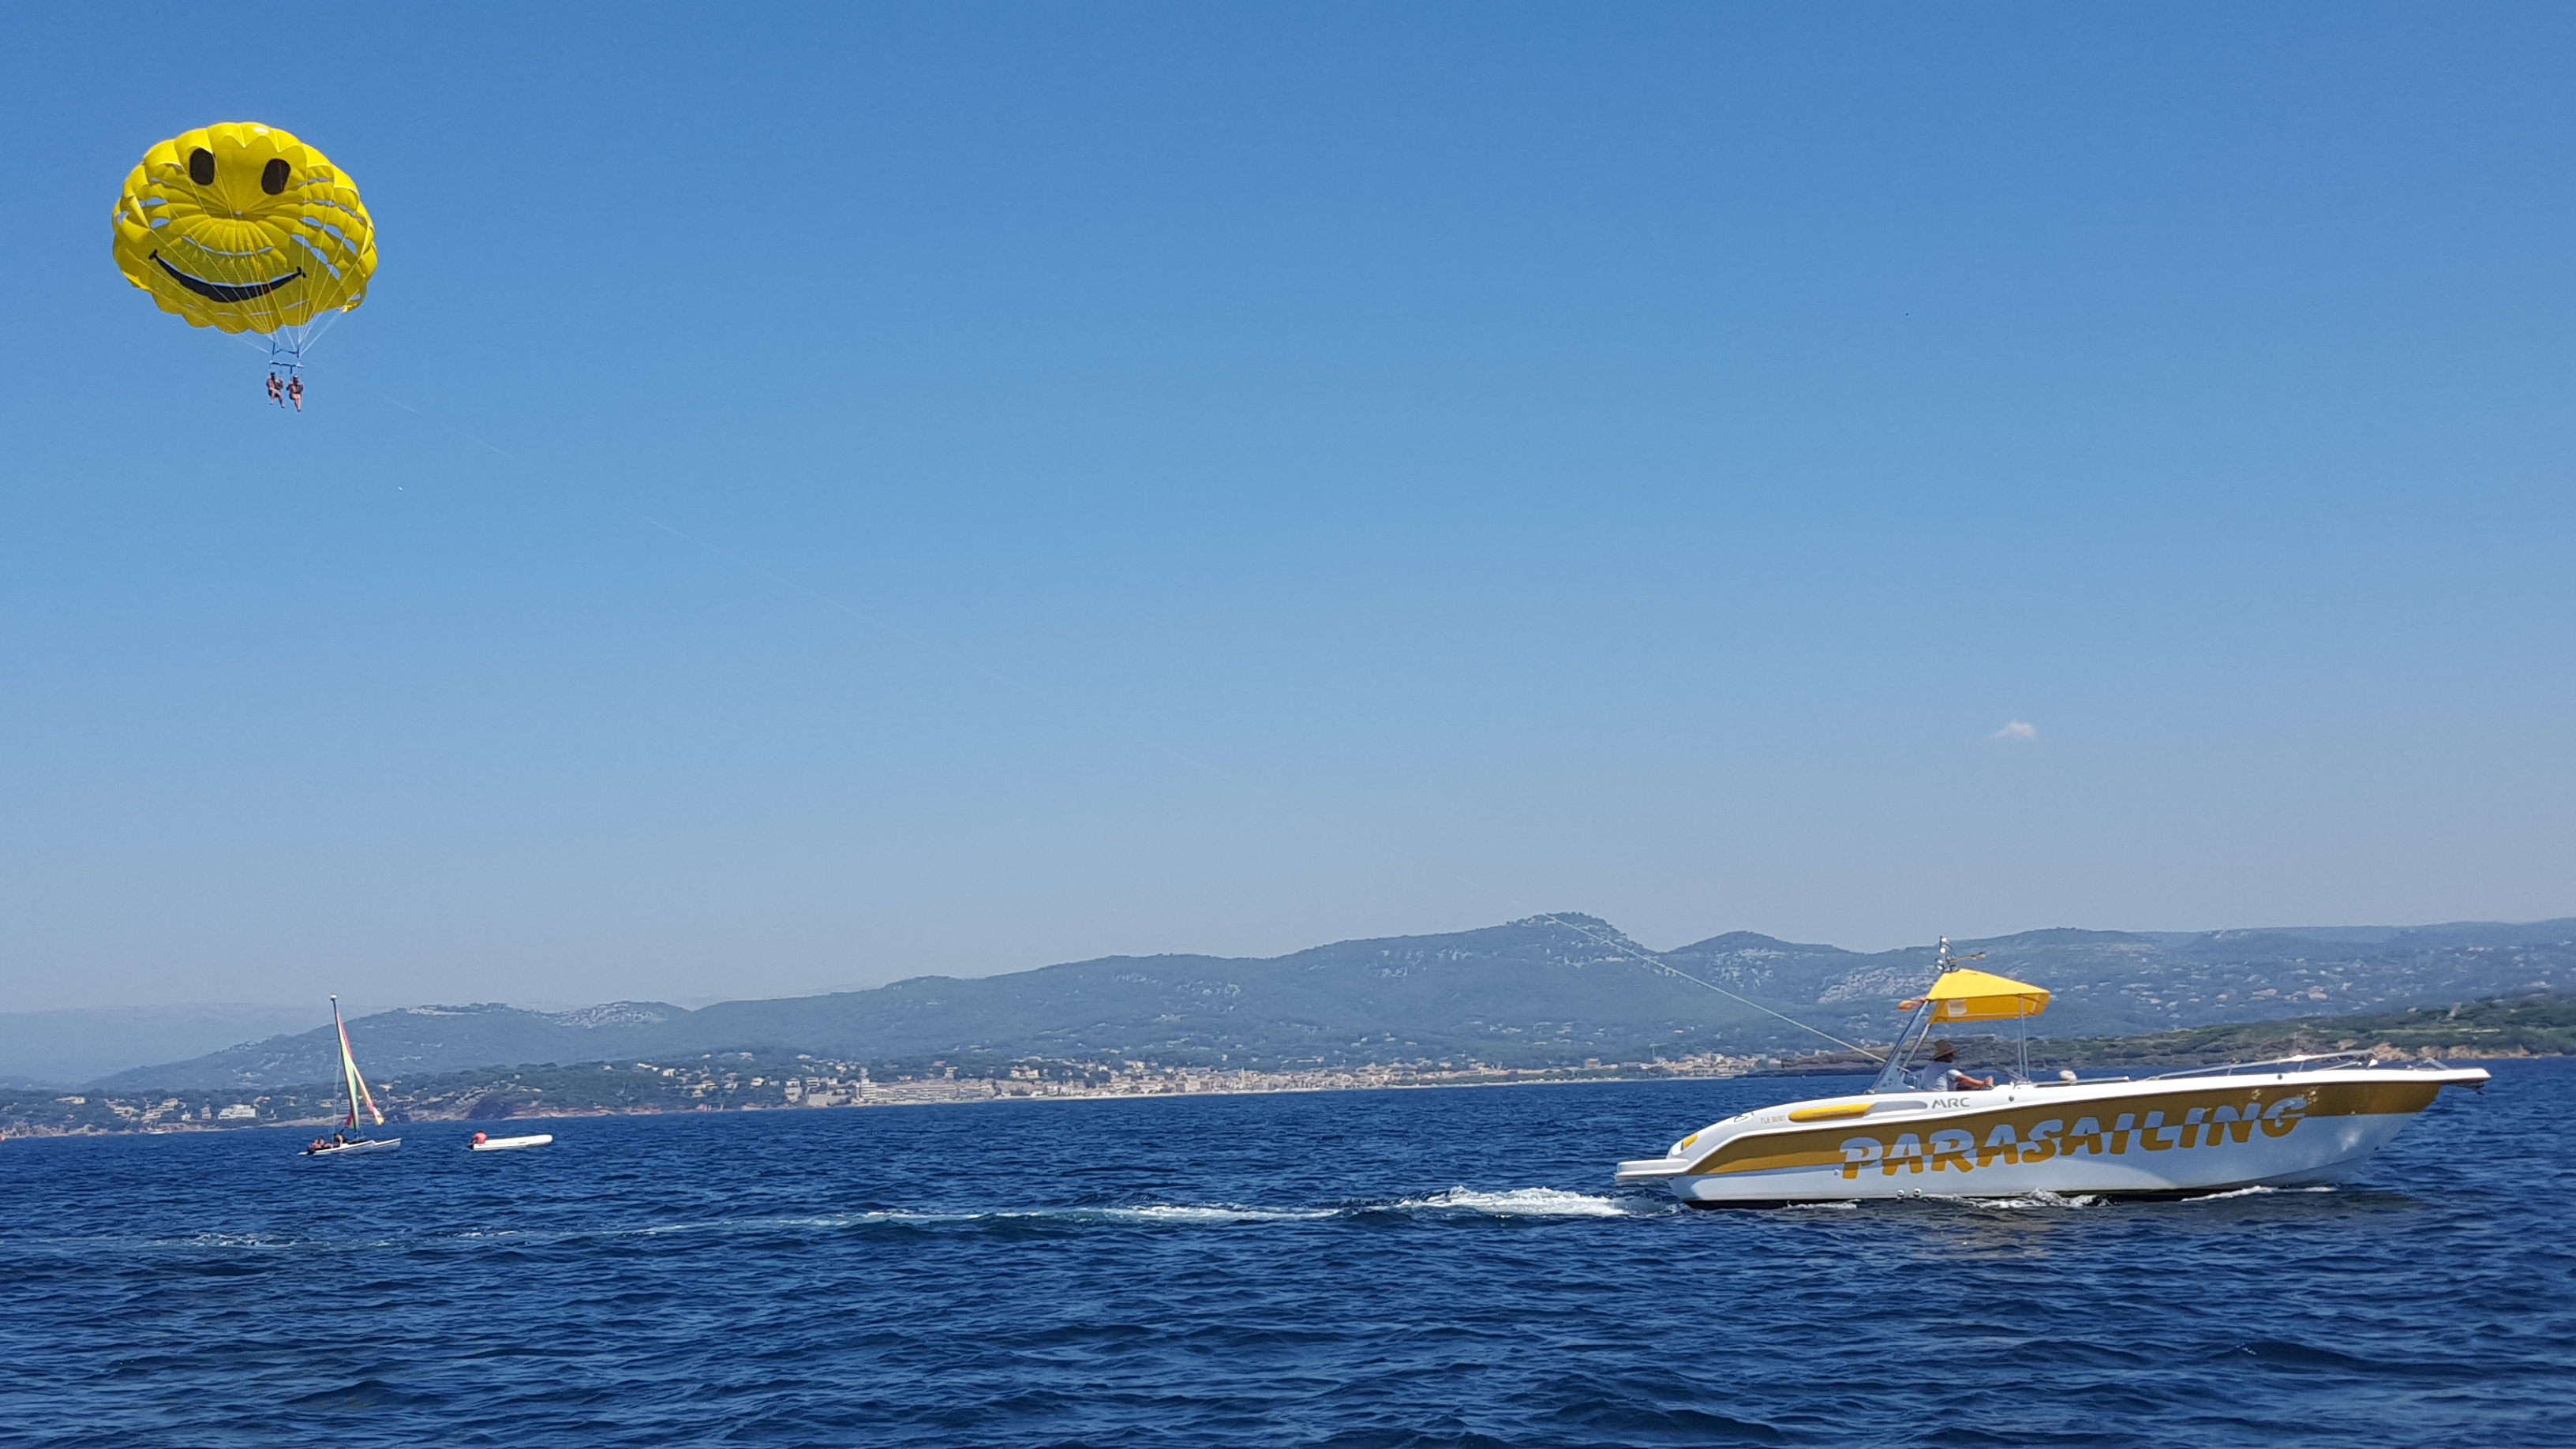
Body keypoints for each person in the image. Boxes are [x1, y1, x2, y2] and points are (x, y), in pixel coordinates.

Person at [1914, 1040, 1994, 1091]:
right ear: (1945, 1056)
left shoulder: (1929, 1067)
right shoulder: (1945, 1067)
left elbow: (1957, 1085)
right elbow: (1963, 1079)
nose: (1953, 1056)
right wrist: (1984, 1083)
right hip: (1942, 1099)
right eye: (1951, 1054)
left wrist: (1973, 1087)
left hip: (1932, 1097)